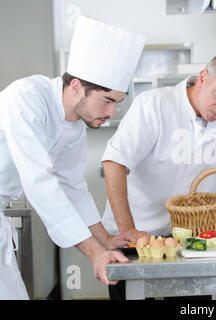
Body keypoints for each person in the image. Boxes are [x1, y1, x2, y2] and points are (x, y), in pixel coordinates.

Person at [101, 54, 216, 299]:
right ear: (203, 78)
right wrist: (128, 229)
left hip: (193, 239)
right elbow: (114, 162)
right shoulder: (155, 104)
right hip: (138, 234)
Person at [0, 15, 145, 299]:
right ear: (77, 86)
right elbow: (38, 181)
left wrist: (106, 241)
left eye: (117, 103)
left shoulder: (74, 127)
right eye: (107, 100)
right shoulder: (26, 97)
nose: (111, 112)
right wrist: (94, 254)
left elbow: (73, 188)